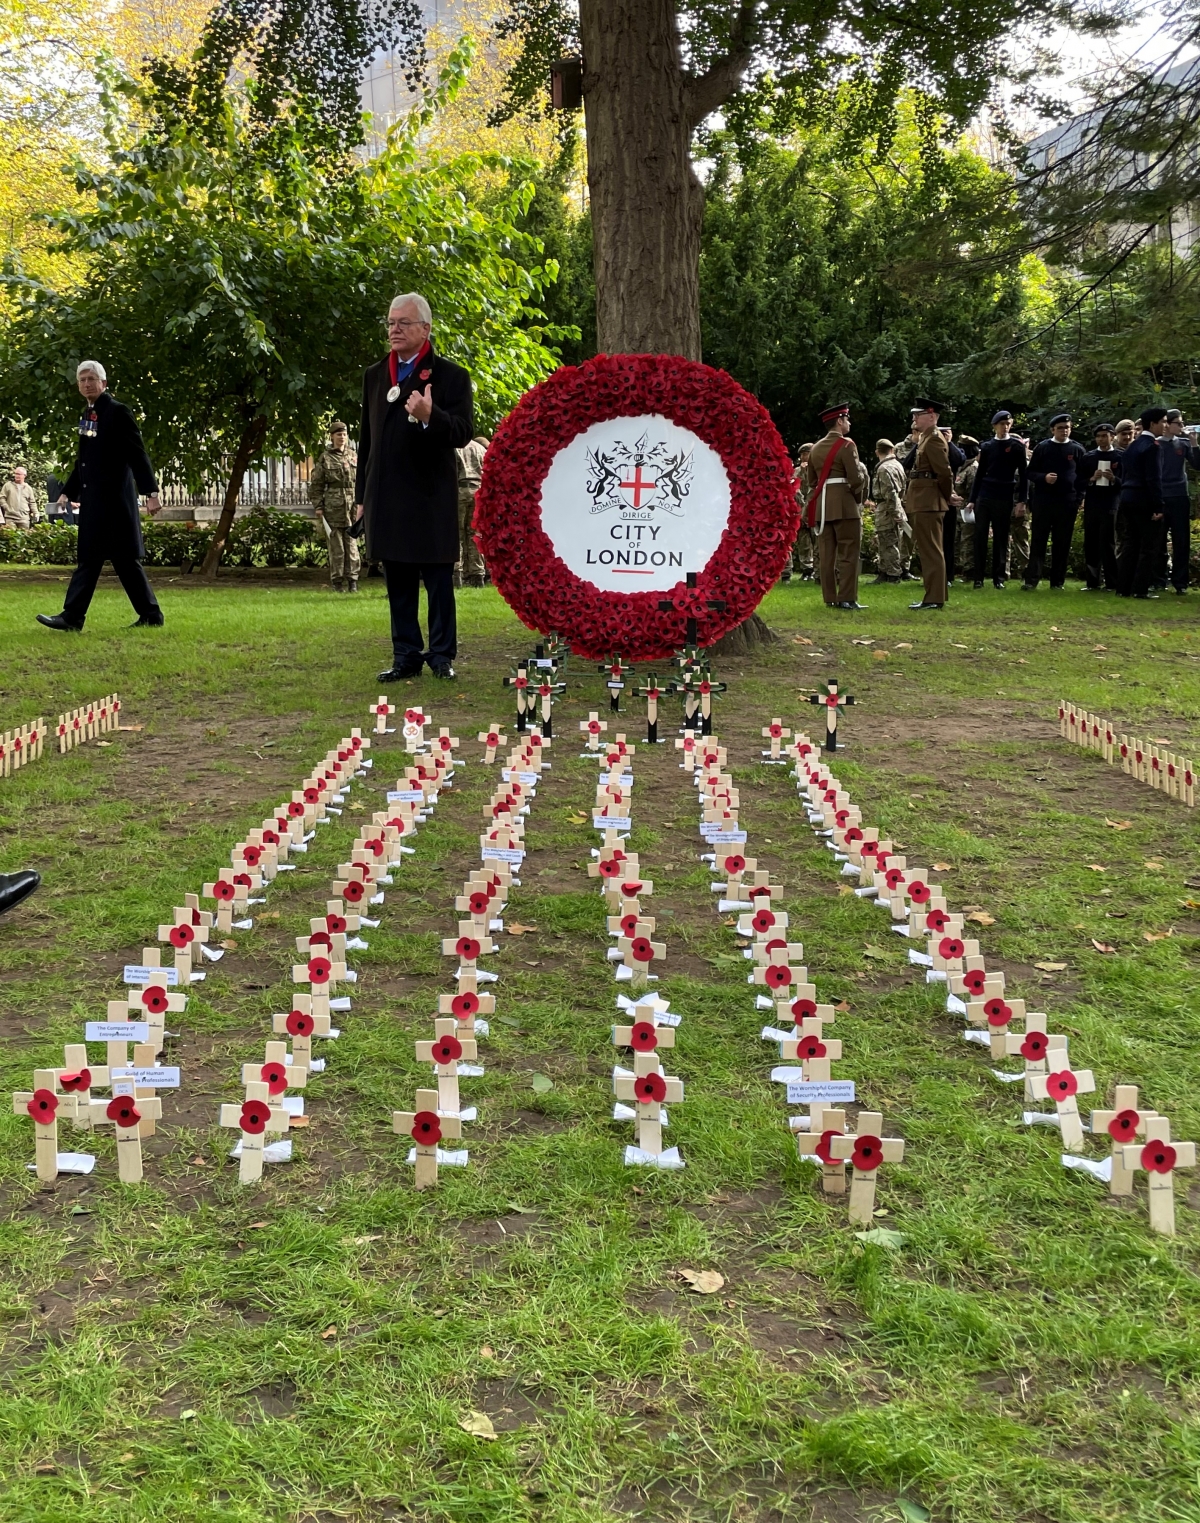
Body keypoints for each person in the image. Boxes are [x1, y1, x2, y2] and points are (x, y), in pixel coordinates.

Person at [355, 293, 473, 681]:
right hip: (386, 496)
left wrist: (430, 416)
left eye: (403, 323)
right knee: (398, 580)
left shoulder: (451, 376)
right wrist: (360, 497)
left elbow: (462, 432)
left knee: (438, 581)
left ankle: (441, 655)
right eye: (390, 323)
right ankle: (405, 654)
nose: (394, 330)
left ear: (426, 328)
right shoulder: (375, 375)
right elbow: (366, 442)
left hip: (429, 496)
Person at [36, 361, 163, 632]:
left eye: (91, 378)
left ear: (104, 383)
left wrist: (150, 492)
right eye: (82, 379)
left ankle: (150, 615)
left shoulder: (118, 412)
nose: (86, 384)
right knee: (90, 559)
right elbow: (84, 462)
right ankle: (72, 617)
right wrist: (66, 493)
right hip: (95, 503)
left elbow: (137, 454)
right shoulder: (88, 414)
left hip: (116, 503)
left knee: (126, 561)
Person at [803, 404, 866, 609]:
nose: (848, 423)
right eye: (847, 419)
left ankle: (829, 597)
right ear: (839, 421)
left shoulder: (815, 448)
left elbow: (812, 481)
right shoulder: (847, 445)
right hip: (844, 505)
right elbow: (856, 478)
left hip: (822, 505)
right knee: (848, 552)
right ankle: (847, 597)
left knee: (826, 555)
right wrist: (858, 498)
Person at [1023, 413, 1086, 591]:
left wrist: (1079, 498)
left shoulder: (1077, 449)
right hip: (1044, 501)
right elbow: (1030, 472)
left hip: (1068, 503)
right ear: (1053, 429)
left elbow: (1083, 477)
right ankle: (1031, 580)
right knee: (1038, 541)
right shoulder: (1043, 448)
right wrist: (1044, 477)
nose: (1064, 431)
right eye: (1060, 428)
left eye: (1067, 427)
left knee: (1062, 542)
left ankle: (1057, 582)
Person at [905, 399, 957, 609]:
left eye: (919, 415)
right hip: (924, 499)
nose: (914, 418)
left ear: (932, 416)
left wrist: (946, 495)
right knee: (929, 550)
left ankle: (934, 598)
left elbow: (944, 472)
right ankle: (933, 596)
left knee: (932, 551)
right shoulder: (926, 438)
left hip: (929, 500)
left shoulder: (934, 439)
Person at [968, 411, 1027, 588]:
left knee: (1001, 538)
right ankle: (978, 578)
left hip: (1005, 495)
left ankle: (998, 578)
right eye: (1001, 424)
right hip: (985, 495)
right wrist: (972, 499)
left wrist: (1022, 501)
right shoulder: (986, 447)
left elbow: (1024, 476)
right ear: (995, 426)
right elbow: (979, 474)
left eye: (1008, 424)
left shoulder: (1016, 447)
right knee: (980, 536)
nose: (1005, 427)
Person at [1116, 406, 1169, 598]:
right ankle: (1140, 589)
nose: (1165, 425)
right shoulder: (1152, 447)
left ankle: (1123, 587)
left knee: (1131, 543)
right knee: (1148, 546)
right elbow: (1154, 478)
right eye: (1163, 421)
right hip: (1143, 498)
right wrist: (1158, 505)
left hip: (1127, 496)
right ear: (1153, 423)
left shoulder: (1133, 446)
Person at [309, 421, 360, 593]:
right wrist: (318, 506)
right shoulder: (326, 458)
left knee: (352, 545)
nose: (342, 437)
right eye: (339, 434)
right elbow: (316, 485)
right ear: (332, 436)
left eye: (344, 434)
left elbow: (361, 481)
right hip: (333, 507)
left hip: (352, 507)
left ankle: (353, 580)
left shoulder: (353, 456)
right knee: (337, 547)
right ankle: (337, 582)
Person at [1158, 409, 1198, 595]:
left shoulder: (1183, 443)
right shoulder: (1155, 444)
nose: (1182, 427)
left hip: (1179, 496)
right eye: (1179, 423)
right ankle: (1159, 579)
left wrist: (1194, 444)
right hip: (1160, 496)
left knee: (1181, 541)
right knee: (1158, 540)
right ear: (1168, 424)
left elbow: (1198, 465)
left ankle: (1180, 582)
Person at [1080, 424, 1122, 591]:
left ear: (1112, 437)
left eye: (1105, 435)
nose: (1101, 439)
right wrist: (1091, 478)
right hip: (1092, 504)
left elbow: (1127, 481)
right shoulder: (1089, 457)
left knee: (1108, 543)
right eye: (1098, 436)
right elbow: (1078, 480)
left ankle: (1112, 582)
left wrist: (1114, 479)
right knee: (1091, 543)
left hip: (1111, 504)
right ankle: (1092, 582)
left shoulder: (1120, 457)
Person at [868, 439, 912, 583]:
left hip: (887, 508)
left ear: (877, 452)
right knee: (891, 540)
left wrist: (894, 512)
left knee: (888, 541)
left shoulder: (883, 468)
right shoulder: (897, 465)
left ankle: (892, 574)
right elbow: (902, 489)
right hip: (896, 505)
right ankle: (885, 572)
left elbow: (890, 493)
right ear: (892, 450)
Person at [455, 434, 490, 588]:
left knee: (456, 535)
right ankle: (477, 575)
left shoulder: (454, 448)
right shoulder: (480, 448)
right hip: (478, 491)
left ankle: (457, 574)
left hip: (459, 490)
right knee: (475, 534)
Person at [787, 447, 817, 580]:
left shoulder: (818, 469)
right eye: (802, 454)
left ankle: (818, 569)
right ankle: (807, 569)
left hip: (815, 509)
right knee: (804, 542)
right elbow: (794, 490)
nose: (804, 457)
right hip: (801, 510)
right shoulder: (797, 471)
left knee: (817, 541)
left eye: (807, 454)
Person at [953, 437, 979, 582]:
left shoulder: (973, 468)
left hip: (968, 508)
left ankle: (969, 571)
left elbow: (972, 491)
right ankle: (957, 568)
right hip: (958, 508)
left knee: (967, 539)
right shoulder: (961, 467)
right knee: (957, 539)